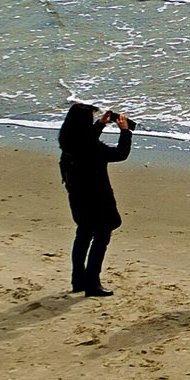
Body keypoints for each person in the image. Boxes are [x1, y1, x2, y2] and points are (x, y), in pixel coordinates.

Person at [58, 103, 133, 297]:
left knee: (83, 234)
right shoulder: (89, 146)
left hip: (77, 198)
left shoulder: (67, 140)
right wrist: (125, 132)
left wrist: (100, 125)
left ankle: (78, 280)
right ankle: (92, 283)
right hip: (97, 198)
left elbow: (86, 140)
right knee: (101, 236)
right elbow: (120, 154)